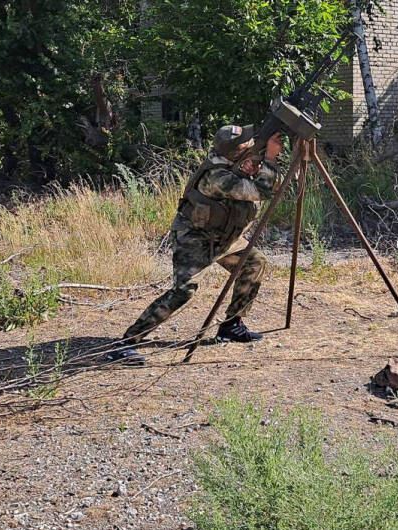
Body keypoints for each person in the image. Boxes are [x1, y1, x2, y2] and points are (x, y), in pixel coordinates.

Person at [108, 124, 283, 365]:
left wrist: (252, 168)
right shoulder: (216, 177)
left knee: (253, 262)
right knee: (184, 291)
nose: (252, 146)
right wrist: (271, 159)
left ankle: (232, 325)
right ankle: (126, 343)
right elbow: (261, 191)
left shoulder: (231, 165)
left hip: (221, 236)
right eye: (246, 146)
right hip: (194, 238)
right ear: (233, 153)